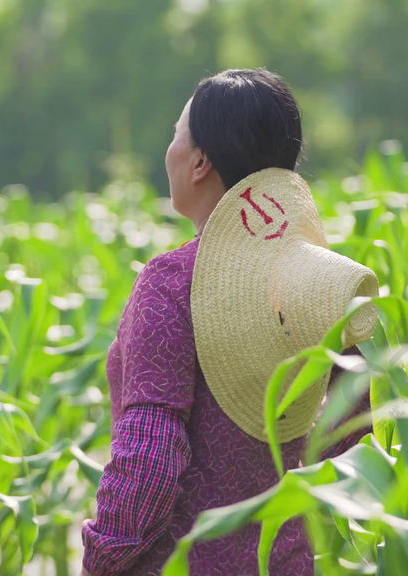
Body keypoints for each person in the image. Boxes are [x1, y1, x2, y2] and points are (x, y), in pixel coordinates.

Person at [79, 68, 376, 576]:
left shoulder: (170, 283)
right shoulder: (313, 282)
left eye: (176, 134)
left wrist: (101, 557)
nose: (168, 149)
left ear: (199, 162)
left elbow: (149, 461)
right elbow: (362, 428)